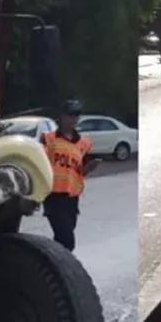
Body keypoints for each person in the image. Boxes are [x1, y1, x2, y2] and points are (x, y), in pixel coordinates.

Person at [39, 99, 99, 252]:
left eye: (76, 115)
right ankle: (60, 268)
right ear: (62, 116)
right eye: (71, 115)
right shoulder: (49, 138)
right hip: (53, 196)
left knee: (62, 240)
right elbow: (41, 163)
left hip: (71, 198)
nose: (74, 119)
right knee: (67, 240)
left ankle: (52, 266)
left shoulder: (82, 144)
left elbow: (80, 171)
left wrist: (89, 168)